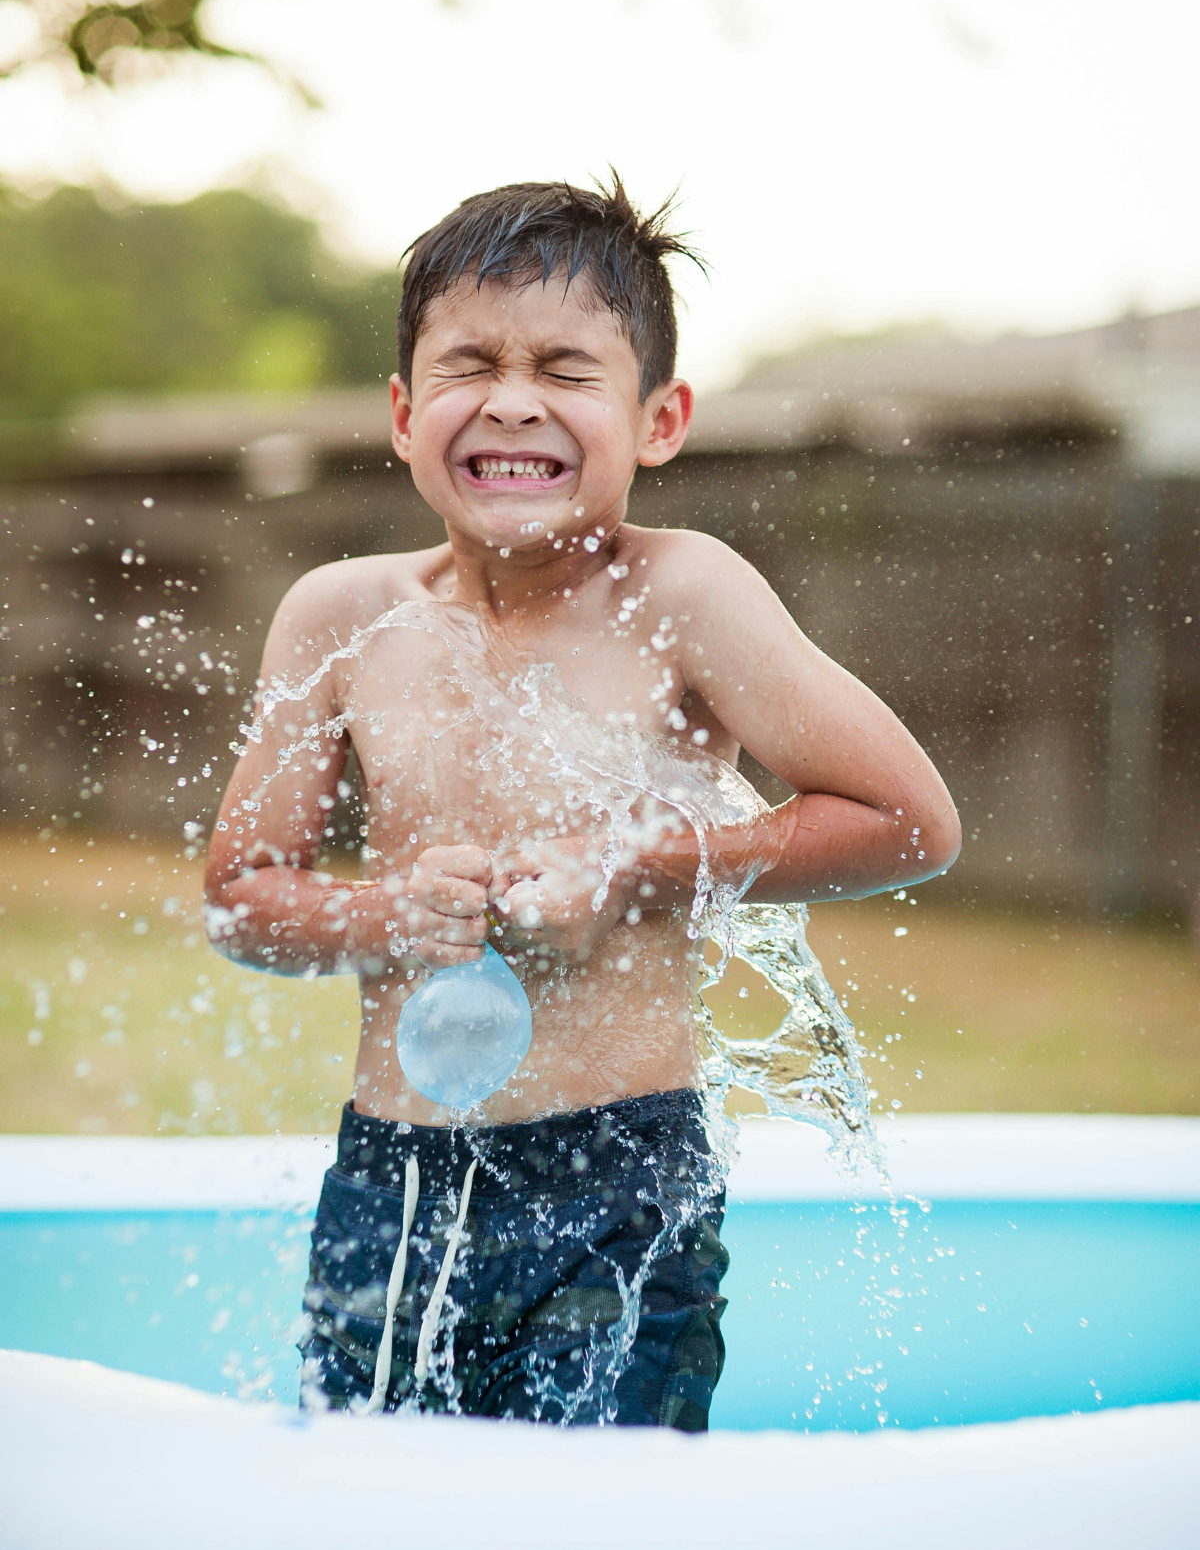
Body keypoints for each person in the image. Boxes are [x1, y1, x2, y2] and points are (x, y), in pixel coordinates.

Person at [203, 176, 961, 1430]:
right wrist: (384, 912)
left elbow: (907, 822)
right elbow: (240, 900)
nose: (511, 400)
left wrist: (645, 868)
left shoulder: (685, 598)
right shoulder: (342, 619)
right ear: (402, 413)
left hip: (616, 1175)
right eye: (469, 366)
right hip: (391, 1178)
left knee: (603, 1545)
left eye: (565, 368)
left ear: (657, 419)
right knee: (365, 1526)